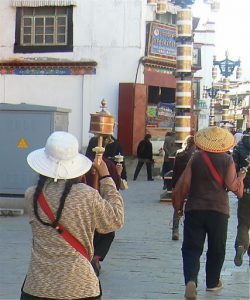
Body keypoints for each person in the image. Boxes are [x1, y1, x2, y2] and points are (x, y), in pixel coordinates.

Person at [20, 131, 124, 300]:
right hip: (80, 287)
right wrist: (105, 177)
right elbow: (115, 219)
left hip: (38, 286)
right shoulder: (86, 195)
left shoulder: (31, 195)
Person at [172, 126, 245, 299]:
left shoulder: (196, 158)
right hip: (218, 211)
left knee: (191, 247)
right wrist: (241, 178)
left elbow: (184, 184)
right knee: (217, 248)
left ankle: (191, 280)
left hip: (195, 209)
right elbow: (235, 189)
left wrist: (179, 207)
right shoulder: (227, 160)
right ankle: (212, 283)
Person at [85, 137, 123, 276]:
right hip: (102, 205)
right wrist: (117, 173)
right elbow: (115, 187)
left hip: (83, 206)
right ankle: (96, 257)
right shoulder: (107, 165)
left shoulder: (82, 164)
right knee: (108, 233)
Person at [171, 135, 196, 241]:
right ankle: (189, 231)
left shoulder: (179, 153)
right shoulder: (195, 155)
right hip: (191, 185)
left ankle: (175, 230)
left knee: (178, 207)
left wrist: (173, 185)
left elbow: (175, 170)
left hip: (179, 184)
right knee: (191, 208)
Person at [232, 127, 250, 266]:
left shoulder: (239, 148)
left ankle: (241, 246)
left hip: (245, 191)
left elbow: (233, 169)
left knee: (243, 223)